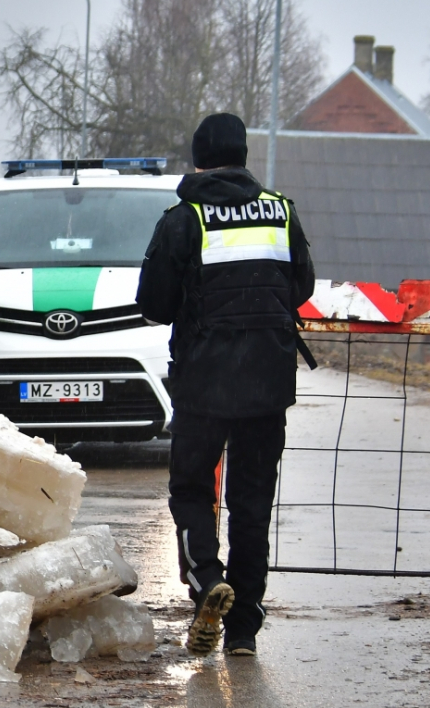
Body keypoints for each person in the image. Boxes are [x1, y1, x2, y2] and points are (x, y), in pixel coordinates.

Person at [137, 112, 315, 658]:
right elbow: (301, 285)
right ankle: (243, 628)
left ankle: (206, 582)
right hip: (267, 383)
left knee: (192, 489)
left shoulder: (183, 219)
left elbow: (154, 304)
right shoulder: (280, 212)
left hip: (203, 386)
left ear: (198, 160)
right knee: (252, 501)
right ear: (243, 157)